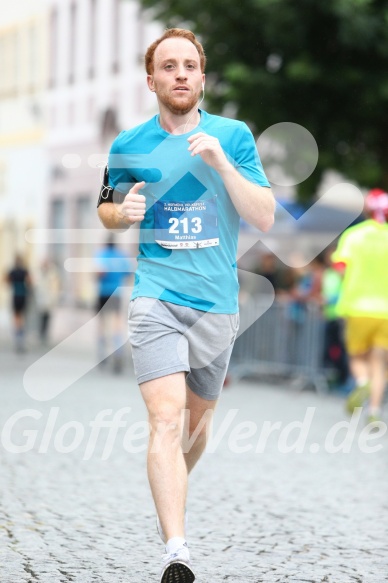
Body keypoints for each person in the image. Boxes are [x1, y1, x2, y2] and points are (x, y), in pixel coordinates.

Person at [97, 28, 275, 583]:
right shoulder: (130, 142)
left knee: (193, 433)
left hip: (217, 306)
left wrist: (223, 164)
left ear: (202, 77)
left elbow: (265, 216)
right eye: (168, 66)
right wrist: (119, 214)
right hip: (156, 297)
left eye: (189, 65)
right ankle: (178, 551)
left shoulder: (234, 135)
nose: (179, 74)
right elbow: (104, 205)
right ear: (151, 80)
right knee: (165, 419)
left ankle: (167, 481)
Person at [332, 188, 388, 425]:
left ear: (366, 209)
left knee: (357, 357)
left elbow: (340, 269)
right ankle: (374, 412)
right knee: (380, 362)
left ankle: (362, 382)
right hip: (386, 311)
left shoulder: (353, 236)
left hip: (356, 307)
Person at [94, 235, 133, 373]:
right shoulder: (121, 256)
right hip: (116, 293)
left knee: (102, 323)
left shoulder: (101, 254)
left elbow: (99, 272)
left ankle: (102, 352)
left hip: (103, 292)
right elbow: (128, 273)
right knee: (117, 323)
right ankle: (118, 352)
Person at [6, 254, 31, 352]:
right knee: (22, 317)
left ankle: (18, 335)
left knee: (17, 317)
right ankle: (20, 336)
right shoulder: (24, 271)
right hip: (22, 295)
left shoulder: (12, 271)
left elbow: (6, 280)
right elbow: (30, 281)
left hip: (16, 295)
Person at [34, 258, 60, 345]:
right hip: (41, 298)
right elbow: (36, 284)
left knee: (47, 317)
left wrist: (54, 297)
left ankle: (45, 333)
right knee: (41, 317)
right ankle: (41, 333)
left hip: (49, 298)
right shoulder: (39, 273)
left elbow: (55, 286)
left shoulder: (52, 274)